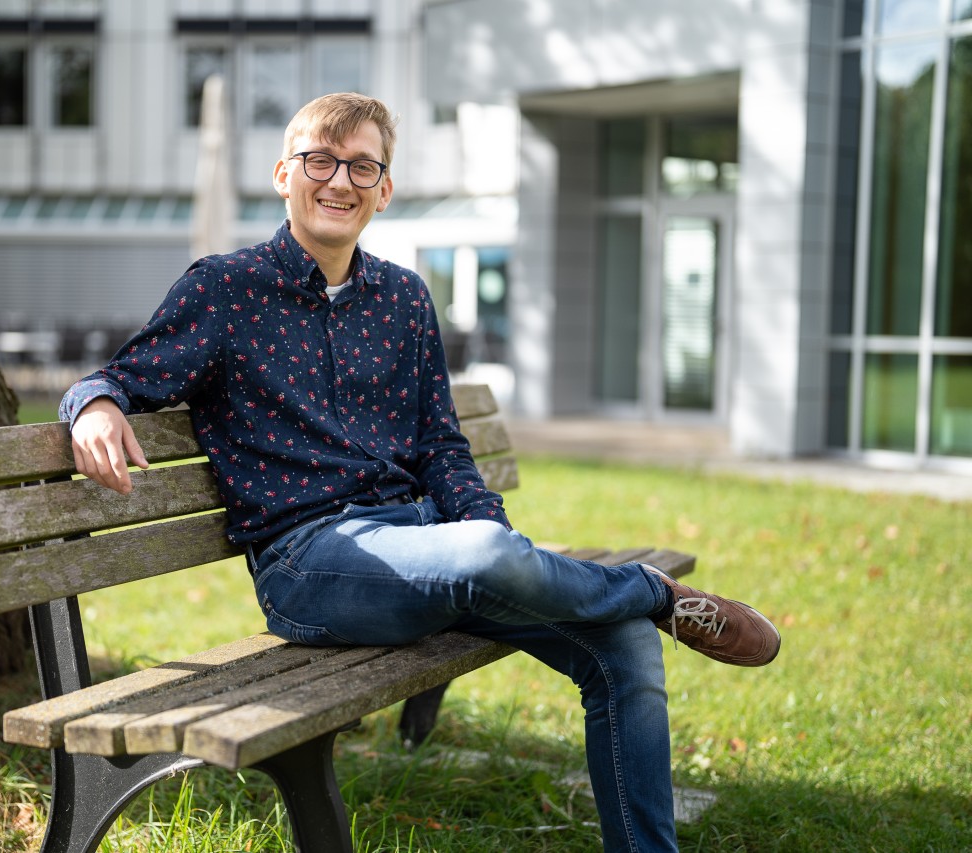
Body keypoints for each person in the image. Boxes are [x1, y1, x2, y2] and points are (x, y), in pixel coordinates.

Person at [60, 92, 780, 853]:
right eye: (320, 161)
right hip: (310, 564)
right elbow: (122, 376)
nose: (339, 180)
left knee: (624, 644)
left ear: (384, 188)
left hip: (427, 545)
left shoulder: (402, 299)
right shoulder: (225, 290)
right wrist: (95, 407)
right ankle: (656, 591)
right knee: (503, 561)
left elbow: (441, 444)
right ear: (284, 174)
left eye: (361, 166)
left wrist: (489, 536)